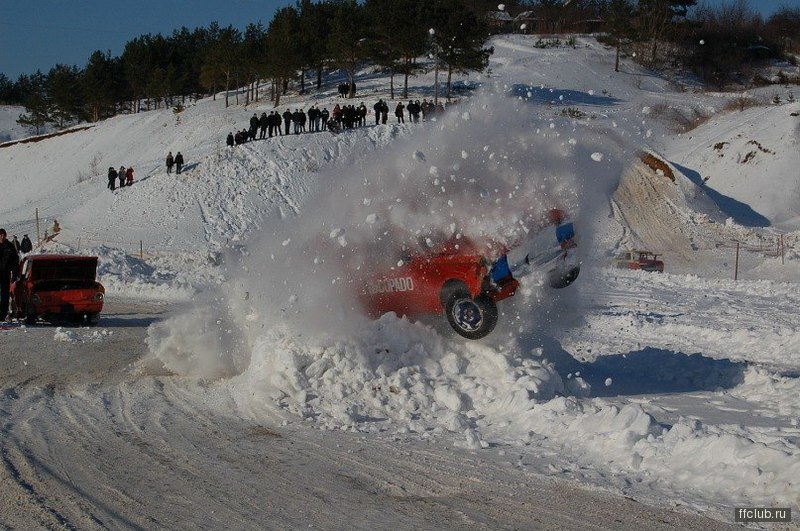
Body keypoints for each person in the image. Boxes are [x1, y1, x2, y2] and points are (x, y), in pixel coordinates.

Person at [0, 228, 20, 321]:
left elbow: (15, 261)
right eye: (0, 235)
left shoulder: (10, 246)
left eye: (3, 235)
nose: (2, 236)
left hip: (5, 274)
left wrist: (14, 275)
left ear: (6, 235)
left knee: (4, 295)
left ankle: (2, 315)